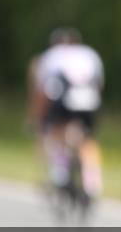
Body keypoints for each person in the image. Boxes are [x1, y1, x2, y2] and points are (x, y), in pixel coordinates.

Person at [28, 27, 105, 199]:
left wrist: (37, 119)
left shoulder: (51, 56)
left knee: (57, 131)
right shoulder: (90, 54)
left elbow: (41, 92)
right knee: (88, 139)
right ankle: (92, 181)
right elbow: (99, 85)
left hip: (63, 98)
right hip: (89, 99)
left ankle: (60, 172)